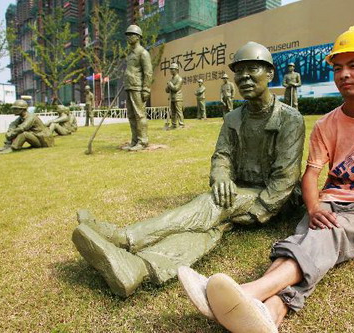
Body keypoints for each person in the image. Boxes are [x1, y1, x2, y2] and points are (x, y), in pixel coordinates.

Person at [178, 26, 354, 333]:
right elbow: (310, 174)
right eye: (338, 68)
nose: (344, 75)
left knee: (325, 238)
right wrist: (313, 208)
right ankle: (271, 313)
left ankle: (248, 292)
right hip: (329, 200)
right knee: (306, 240)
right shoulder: (327, 123)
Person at [72, 41, 305, 298]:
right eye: (240, 71)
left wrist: (260, 209)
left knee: (211, 205)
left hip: (273, 200)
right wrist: (221, 178)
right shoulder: (233, 118)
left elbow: (286, 176)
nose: (245, 77)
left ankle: (123, 237)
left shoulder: (289, 119)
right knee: (207, 230)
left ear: (270, 73)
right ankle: (139, 268)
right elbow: (222, 157)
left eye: (253, 69)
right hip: (239, 191)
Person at [122, 24, 153, 151]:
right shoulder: (129, 54)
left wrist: (146, 89)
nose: (128, 37)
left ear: (138, 37)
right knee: (131, 115)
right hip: (129, 86)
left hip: (137, 87)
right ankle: (134, 140)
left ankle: (143, 141)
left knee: (139, 115)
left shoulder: (143, 53)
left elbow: (148, 72)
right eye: (127, 35)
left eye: (131, 35)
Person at [165, 63, 185, 128]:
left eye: (172, 69)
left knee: (179, 111)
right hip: (172, 98)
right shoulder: (171, 79)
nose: (170, 70)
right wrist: (168, 87)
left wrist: (170, 84)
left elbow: (176, 88)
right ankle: (174, 124)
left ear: (176, 70)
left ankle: (181, 124)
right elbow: (167, 91)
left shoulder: (180, 79)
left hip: (178, 97)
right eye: (170, 69)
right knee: (173, 112)